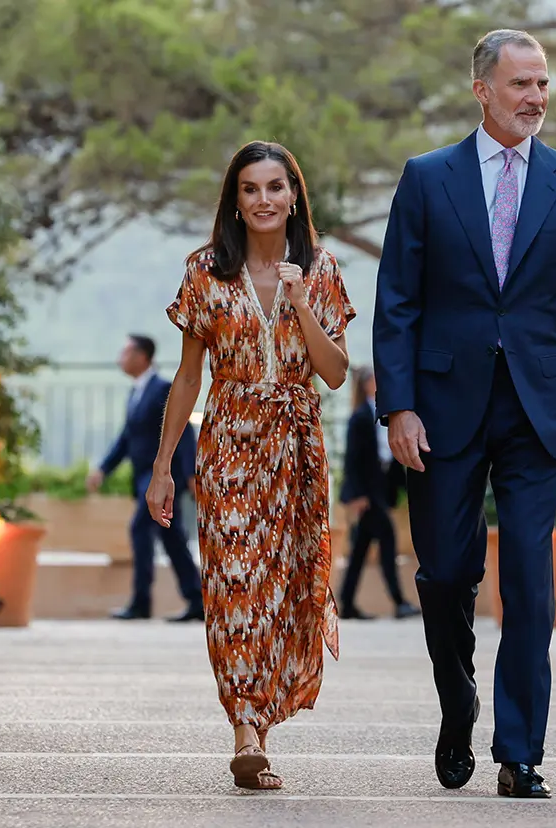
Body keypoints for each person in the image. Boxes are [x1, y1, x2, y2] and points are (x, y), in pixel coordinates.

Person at [372, 28, 556, 799]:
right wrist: (399, 405)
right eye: (521, 85)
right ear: (482, 90)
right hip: (441, 408)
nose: (536, 98)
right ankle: (458, 701)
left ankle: (520, 752)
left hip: (539, 409)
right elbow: (397, 302)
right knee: (443, 573)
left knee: (532, 584)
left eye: (543, 85)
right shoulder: (427, 177)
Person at [145, 140, 354, 791]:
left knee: (286, 590)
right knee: (234, 581)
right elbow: (186, 379)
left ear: (294, 195)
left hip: (297, 447)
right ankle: (246, 730)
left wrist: (298, 304)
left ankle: (263, 715)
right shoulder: (205, 270)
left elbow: (336, 373)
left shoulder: (320, 270)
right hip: (230, 441)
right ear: (235, 201)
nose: (264, 200)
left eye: (275, 187)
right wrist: (162, 467)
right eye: (250, 189)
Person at [87, 334, 203, 622]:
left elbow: (184, 432)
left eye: (126, 352)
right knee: (173, 539)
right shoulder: (136, 393)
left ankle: (142, 601)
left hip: (162, 480)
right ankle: (196, 599)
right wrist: (104, 468)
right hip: (141, 479)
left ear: (142, 357)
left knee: (141, 530)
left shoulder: (162, 389)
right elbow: (127, 439)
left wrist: (191, 474)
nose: (121, 358)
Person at [338, 365, 420, 620]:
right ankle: (399, 601)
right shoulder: (360, 418)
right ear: (365, 384)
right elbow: (353, 460)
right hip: (369, 494)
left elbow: (389, 456)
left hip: (381, 489)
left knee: (361, 549)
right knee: (387, 542)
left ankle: (347, 602)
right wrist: (357, 495)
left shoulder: (385, 411)